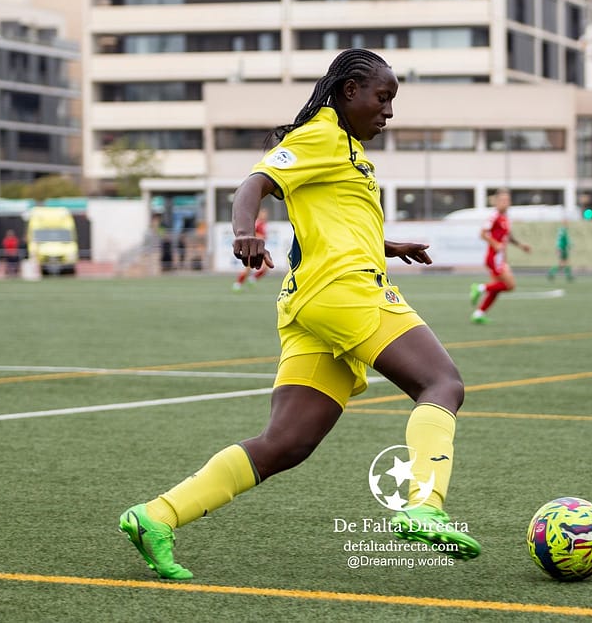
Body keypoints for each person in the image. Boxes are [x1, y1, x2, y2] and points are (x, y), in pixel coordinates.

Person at [119, 48, 481, 580]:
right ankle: (423, 504)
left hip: (310, 302)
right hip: (343, 293)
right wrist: (244, 232)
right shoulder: (323, 135)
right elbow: (255, 183)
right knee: (442, 384)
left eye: (392, 102)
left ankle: (156, 516)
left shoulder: (350, 152)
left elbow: (332, 225)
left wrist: (385, 244)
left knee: (286, 443)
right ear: (348, 92)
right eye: (382, 98)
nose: (388, 112)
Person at [469, 188, 531, 324]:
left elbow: (508, 237)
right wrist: (495, 243)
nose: (506, 202)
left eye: (508, 200)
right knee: (510, 285)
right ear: (496, 202)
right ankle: (479, 288)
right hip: (494, 258)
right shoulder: (494, 216)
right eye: (503, 200)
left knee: (497, 287)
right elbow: (483, 233)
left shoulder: (505, 218)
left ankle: (479, 313)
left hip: (500, 258)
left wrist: (521, 246)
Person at [232, 208, 269, 290]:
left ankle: (251, 280)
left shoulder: (263, 224)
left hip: (258, 248)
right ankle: (238, 284)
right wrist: (261, 237)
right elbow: (252, 235)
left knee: (264, 267)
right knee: (248, 268)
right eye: (263, 213)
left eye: (266, 214)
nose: (265, 215)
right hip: (254, 248)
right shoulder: (257, 223)